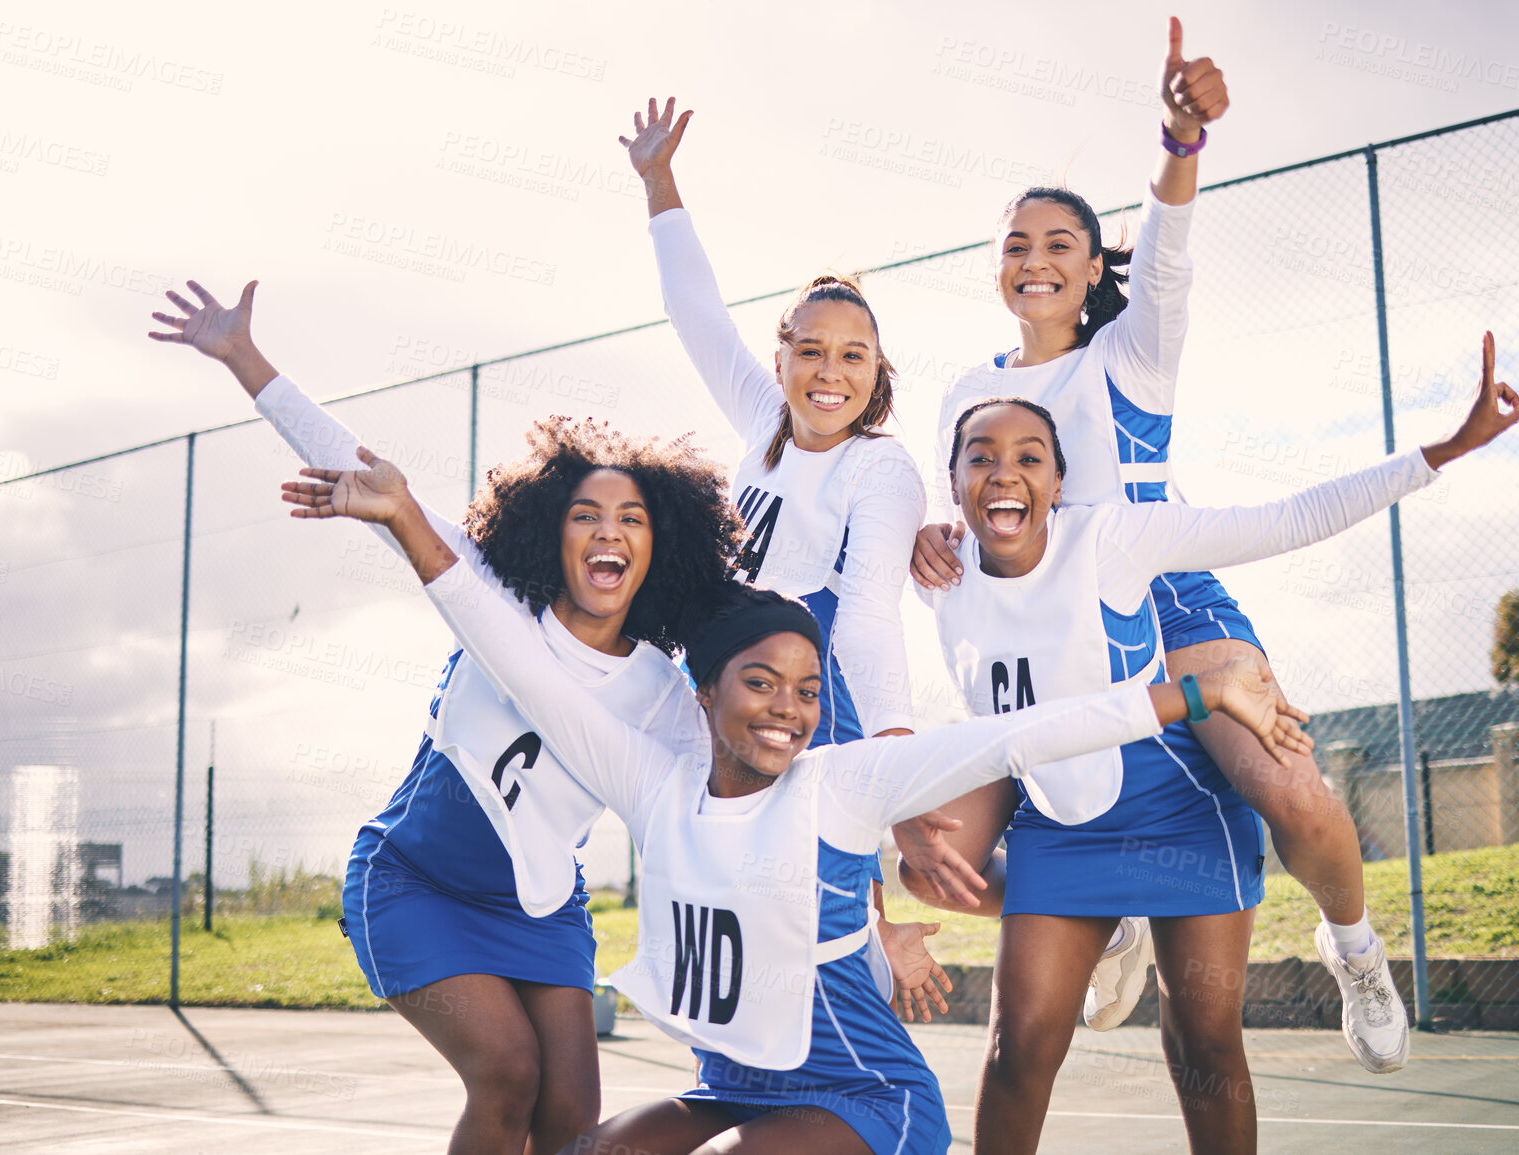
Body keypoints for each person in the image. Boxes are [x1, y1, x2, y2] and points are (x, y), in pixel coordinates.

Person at [277, 447, 1315, 1155]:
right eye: (762, 685)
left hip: (864, 1100)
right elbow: (506, 640)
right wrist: (406, 515)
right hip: (733, 1086)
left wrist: (1185, 695)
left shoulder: (842, 782)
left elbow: (1016, 734)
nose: (790, 710)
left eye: (810, 691)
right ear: (704, 694)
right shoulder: (652, 779)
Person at [896, 15, 1410, 1069]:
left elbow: (1168, 256)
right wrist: (929, 542)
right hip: (1043, 640)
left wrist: (1179, 146)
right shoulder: (965, 391)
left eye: (1059, 245)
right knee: (937, 855)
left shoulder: (1132, 359)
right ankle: (1115, 917)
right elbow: (962, 512)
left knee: (1290, 795)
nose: (1035, 261)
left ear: (1092, 269)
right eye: (1016, 245)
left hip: (1169, 608)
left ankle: (1353, 949)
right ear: (997, 268)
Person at [148, 279, 732, 1153]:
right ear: (553, 531)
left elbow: (718, 812)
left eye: (631, 517)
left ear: (659, 545)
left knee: (571, 1119)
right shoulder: (487, 592)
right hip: (412, 883)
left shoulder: (661, 688)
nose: (607, 531)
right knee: (507, 1074)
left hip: (539, 907)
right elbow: (371, 474)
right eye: (585, 514)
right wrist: (242, 354)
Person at [925, 333, 1519, 1153]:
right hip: (1060, 822)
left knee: (1202, 1044)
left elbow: (1283, 519)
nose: (1003, 471)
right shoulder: (938, 567)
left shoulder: (1111, 540)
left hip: (1176, 805)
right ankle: (1112, 930)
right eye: (980, 456)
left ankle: (1353, 951)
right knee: (1016, 1049)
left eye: (1029, 455)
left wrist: (1442, 451)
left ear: (1058, 482)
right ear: (952, 480)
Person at [623, 98, 970, 1019]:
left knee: (854, 832)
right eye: (810, 350)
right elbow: (693, 311)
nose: (830, 370)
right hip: (740, 656)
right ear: (780, 361)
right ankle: (862, 930)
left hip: (820, 667)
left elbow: (865, 615)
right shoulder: (763, 423)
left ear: (877, 370)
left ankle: (1086, 906)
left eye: (853, 355)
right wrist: (659, 182)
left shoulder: (880, 467)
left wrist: (894, 767)